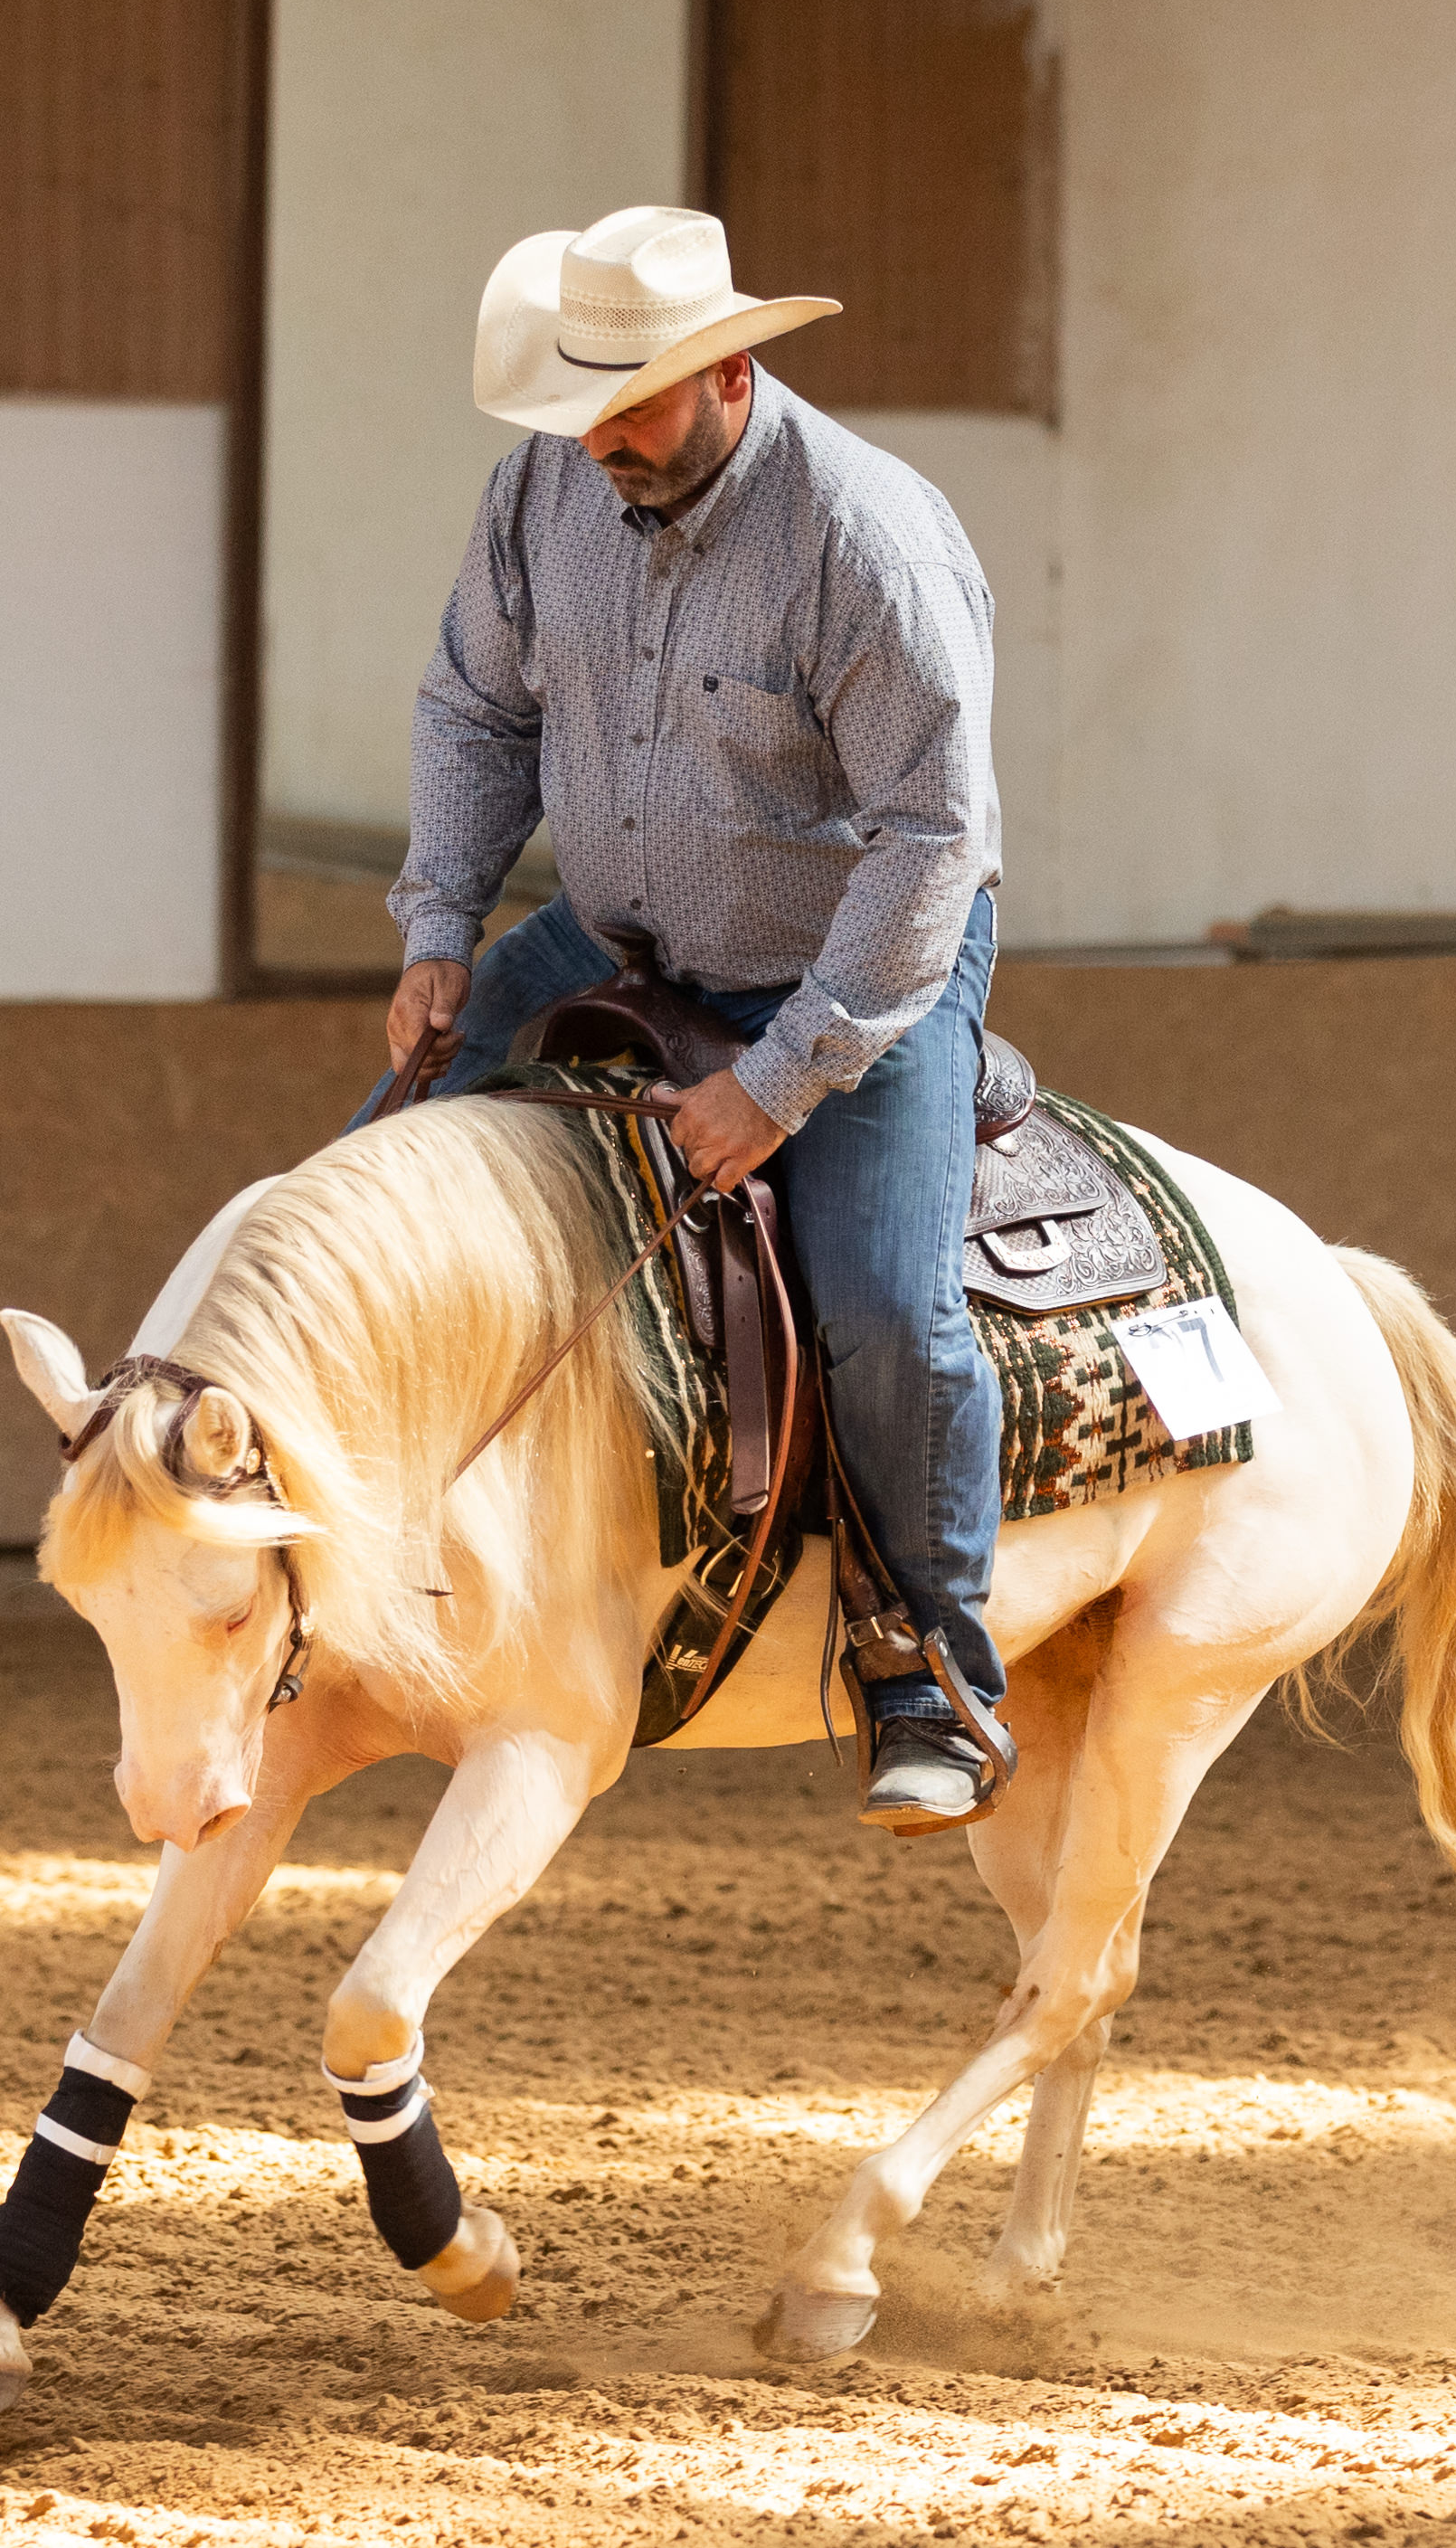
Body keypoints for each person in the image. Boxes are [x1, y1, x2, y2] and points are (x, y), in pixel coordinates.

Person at [366, 204, 1007, 1831]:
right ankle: (345, 1558)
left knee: (880, 1307)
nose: (602, 442)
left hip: (855, 964)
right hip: (618, 932)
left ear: (731, 369)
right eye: (580, 408)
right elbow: (473, 707)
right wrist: (443, 925)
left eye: (633, 405)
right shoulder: (541, 491)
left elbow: (934, 841)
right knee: (374, 1179)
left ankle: (923, 1668)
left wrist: (787, 1083)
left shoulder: (866, 536)